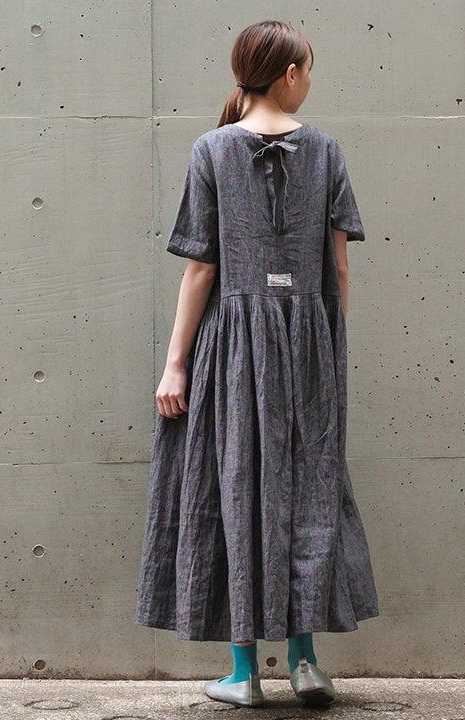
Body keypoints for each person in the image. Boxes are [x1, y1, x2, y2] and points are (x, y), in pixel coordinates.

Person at [135, 19, 380, 708]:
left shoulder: (211, 149)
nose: (310, 80)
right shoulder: (326, 150)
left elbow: (200, 270)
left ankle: (244, 675)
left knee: (233, 489)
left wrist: (175, 365)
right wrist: (326, 342)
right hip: (307, 341)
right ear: (290, 74)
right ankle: (305, 664)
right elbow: (339, 267)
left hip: (232, 346)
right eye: (309, 68)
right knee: (310, 490)